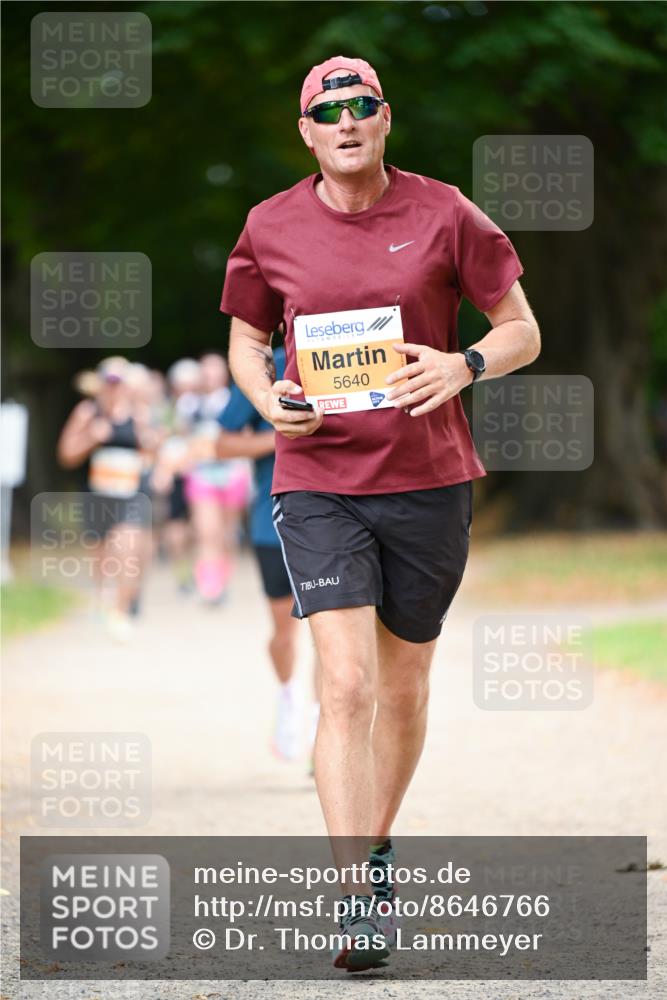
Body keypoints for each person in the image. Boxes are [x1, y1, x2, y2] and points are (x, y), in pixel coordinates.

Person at [219, 56, 540, 971]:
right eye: (330, 111)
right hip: (316, 479)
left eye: (362, 107)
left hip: (428, 479)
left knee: (401, 689)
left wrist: (463, 365)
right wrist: (265, 395)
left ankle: (378, 843)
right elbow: (246, 338)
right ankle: (353, 898)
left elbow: (521, 327)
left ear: (385, 118)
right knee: (346, 686)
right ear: (308, 132)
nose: (347, 121)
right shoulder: (269, 225)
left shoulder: (445, 212)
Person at [57, 357, 152, 641]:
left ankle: (120, 612)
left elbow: (152, 452)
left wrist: (151, 446)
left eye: (120, 381)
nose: (115, 388)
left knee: (128, 551)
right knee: (102, 558)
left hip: (130, 495)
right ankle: (101, 599)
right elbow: (65, 455)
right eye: (110, 381)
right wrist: (91, 438)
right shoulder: (88, 412)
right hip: (97, 494)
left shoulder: (139, 414)